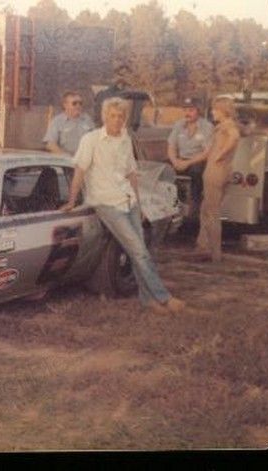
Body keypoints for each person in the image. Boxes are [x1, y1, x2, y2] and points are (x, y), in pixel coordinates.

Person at [61, 97, 185, 314]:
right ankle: (164, 297)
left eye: (121, 116)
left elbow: (131, 173)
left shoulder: (126, 138)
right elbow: (79, 171)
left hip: (129, 201)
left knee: (140, 250)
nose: (117, 120)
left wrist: (138, 203)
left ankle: (148, 300)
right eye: (112, 116)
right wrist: (72, 200)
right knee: (139, 251)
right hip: (107, 203)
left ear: (125, 119)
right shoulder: (91, 140)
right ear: (104, 117)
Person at [175, 97, 240, 263]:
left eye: (215, 110)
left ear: (223, 110)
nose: (212, 112)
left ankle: (215, 255)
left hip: (215, 173)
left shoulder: (227, 126)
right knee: (206, 210)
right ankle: (203, 247)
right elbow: (208, 152)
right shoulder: (224, 126)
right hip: (221, 171)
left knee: (212, 213)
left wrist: (220, 153)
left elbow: (234, 137)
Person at [167, 96, 214, 223]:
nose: (187, 113)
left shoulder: (206, 126)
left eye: (191, 110)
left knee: (197, 173)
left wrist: (187, 163)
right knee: (165, 172)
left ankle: (194, 210)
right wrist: (175, 161)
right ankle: (169, 207)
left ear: (198, 111)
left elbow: (207, 152)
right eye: (185, 110)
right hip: (180, 160)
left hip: (197, 161)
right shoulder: (178, 125)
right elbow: (171, 147)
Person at [43, 91, 94, 156]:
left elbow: (95, 140)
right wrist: (64, 156)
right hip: (66, 161)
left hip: (85, 159)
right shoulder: (57, 121)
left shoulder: (87, 120)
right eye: (74, 103)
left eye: (80, 103)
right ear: (65, 105)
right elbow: (50, 144)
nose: (78, 106)